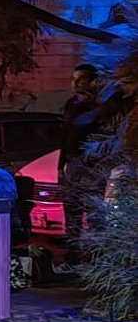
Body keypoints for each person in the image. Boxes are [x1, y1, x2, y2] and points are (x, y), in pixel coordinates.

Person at [59, 63, 105, 263]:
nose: (75, 83)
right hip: (73, 164)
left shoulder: (99, 107)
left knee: (94, 211)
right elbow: (65, 136)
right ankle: (73, 252)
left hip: (92, 165)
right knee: (71, 209)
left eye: (81, 79)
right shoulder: (71, 104)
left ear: (92, 82)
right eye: (73, 79)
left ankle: (97, 255)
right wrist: (60, 165)